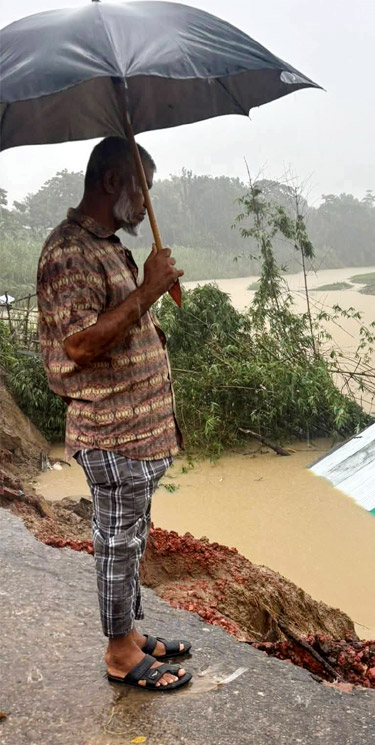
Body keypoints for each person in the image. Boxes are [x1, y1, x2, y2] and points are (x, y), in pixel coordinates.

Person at [37, 137, 191, 691]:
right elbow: (79, 345)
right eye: (140, 188)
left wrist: (151, 285)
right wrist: (147, 292)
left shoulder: (105, 245)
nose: (145, 203)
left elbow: (122, 319)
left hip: (139, 434)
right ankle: (120, 652)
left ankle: (130, 630)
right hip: (113, 433)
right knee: (116, 541)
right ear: (110, 183)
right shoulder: (69, 252)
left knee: (132, 535)